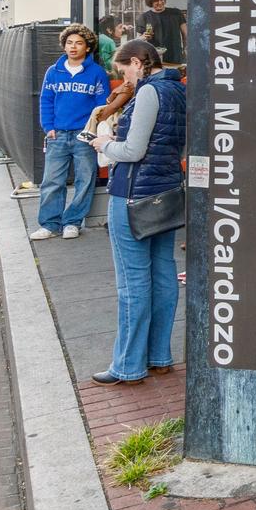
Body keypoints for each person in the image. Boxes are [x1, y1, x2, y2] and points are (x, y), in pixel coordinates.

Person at [89, 39, 184, 386]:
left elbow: (132, 150)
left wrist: (104, 144)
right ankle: (159, 356)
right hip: (167, 192)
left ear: (139, 63)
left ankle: (127, 365)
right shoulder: (177, 90)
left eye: (124, 69)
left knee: (132, 283)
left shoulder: (148, 93)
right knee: (163, 274)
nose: (124, 78)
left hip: (132, 194)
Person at [31, 24, 109, 241]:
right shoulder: (53, 72)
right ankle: (49, 224)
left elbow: (102, 106)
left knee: (85, 179)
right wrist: (49, 128)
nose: (73, 47)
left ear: (87, 47)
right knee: (52, 181)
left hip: (84, 136)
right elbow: (46, 101)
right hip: (58, 135)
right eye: (69, 43)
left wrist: (92, 131)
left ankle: (73, 222)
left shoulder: (97, 73)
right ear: (64, 46)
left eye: (79, 43)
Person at [137, 0, 186, 69]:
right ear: (150, 2)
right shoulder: (144, 17)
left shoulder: (176, 13)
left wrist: (185, 49)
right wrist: (143, 37)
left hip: (175, 55)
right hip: (153, 57)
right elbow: (138, 39)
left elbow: (185, 34)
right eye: (156, 1)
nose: (160, 2)